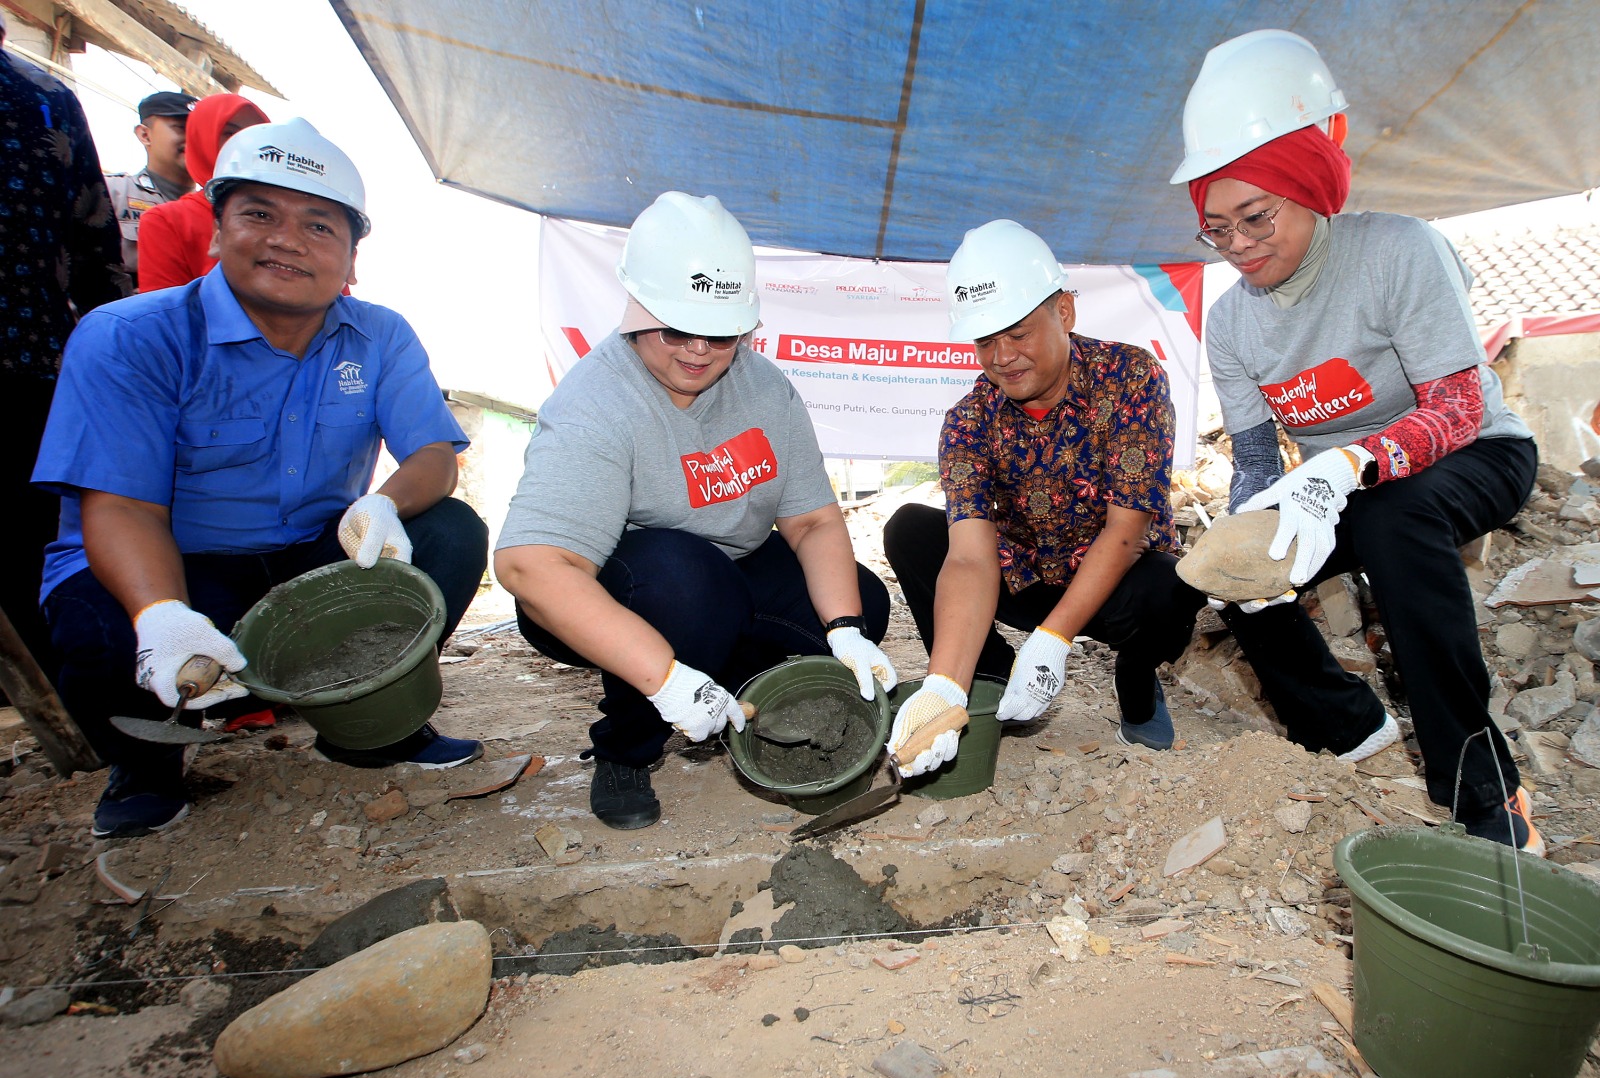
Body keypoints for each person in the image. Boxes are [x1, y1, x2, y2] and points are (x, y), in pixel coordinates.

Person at [33, 117, 489, 839]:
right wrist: (162, 616)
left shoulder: (380, 335)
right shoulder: (129, 336)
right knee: (105, 631)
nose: (286, 240)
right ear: (215, 231)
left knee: (450, 534)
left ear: (350, 255)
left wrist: (381, 503)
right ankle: (146, 766)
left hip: (310, 552)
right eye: (259, 215)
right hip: (174, 564)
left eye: (318, 226)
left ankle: (369, 724)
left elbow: (433, 452)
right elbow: (120, 507)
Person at [1169, 30, 1541, 853]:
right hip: (1345, 484)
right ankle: (1348, 727)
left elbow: (1456, 406)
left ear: (1307, 186)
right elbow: (1260, 459)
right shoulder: (1231, 321)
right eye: (1217, 230)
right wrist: (1249, 532)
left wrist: (1348, 462)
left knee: (1391, 518)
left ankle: (1484, 790)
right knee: (1227, 569)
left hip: (1474, 453)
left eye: (1255, 217)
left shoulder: (1397, 251)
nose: (1238, 246)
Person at [495, 192, 897, 830]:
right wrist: (664, 680)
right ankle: (629, 746)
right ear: (635, 308)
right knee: (686, 581)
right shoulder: (598, 401)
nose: (698, 351)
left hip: (728, 572)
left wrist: (845, 626)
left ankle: (728, 685)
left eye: (721, 333)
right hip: (628, 585)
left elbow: (814, 521)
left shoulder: (763, 387)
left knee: (862, 600)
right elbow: (531, 568)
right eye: (677, 328)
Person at [883, 220, 1204, 776]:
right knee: (910, 530)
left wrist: (1054, 639)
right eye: (986, 341)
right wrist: (940, 686)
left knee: (1170, 587)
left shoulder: (1130, 377)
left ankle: (1136, 678)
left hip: (1116, 578)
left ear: (1064, 313)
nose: (1003, 356)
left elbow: (1126, 532)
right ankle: (983, 679)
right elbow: (967, 556)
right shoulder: (968, 420)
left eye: (1018, 333)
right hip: (1026, 573)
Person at [0, 13, 129, 677]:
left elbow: (96, 255)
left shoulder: (45, 100)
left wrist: (111, 376)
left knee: (38, 540)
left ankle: (72, 698)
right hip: (37, 363)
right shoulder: (45, 98)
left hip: (34, 365)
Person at [136, 92, 269, 292]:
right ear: (202, 138)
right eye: (230, 134)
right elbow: (165, 315)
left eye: (255, 136)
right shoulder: (167, 220)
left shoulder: (291, 213)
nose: (246, 144)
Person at [104, 90, 197, 288]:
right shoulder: (111, 193)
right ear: (145, 134)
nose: (193, 139)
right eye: (181, 128)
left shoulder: (218, 208)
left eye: (199, 131)